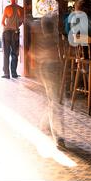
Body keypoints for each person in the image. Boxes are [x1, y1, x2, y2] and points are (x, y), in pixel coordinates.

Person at [38, 11, 65, 150]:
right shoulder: (52, 40)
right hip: (51, 70)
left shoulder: (46, 38)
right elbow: (55, 56)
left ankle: (45, 124)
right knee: (56, 101)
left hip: (46, 69)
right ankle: (58, 136)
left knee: (53, 100)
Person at [1, 0, 24, 79]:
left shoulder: (7, 8)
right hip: (15, 33)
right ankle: (14, 73)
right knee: (15, 53)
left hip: (6, 33)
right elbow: (21, 21)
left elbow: (2, 22)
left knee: (6, 53)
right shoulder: (21, 9)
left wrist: (7, 27)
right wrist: (16, 26)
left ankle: (7, 74)